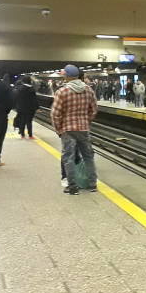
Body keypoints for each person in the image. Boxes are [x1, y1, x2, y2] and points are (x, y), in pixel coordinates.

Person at [51, 64, 98, 195]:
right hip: (83, 129)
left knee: (69, 157)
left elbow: (55, 114)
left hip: (68, 129)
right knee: (88, 156)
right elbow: (93, 110)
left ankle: (72, 187)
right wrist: (86, 121)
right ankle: (92, 184)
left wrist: (58, 129)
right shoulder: (89, 90)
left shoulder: (62, 92)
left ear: (67, 76)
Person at [14, 75, 39, 139]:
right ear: (30, 81)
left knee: (22, 121)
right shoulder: (32, 90)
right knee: (29, 122)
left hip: (21, 108)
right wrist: (37, 108)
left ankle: (22, 135)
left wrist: (16, 106)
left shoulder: (20, 89)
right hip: (30, 109)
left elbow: (16, 98)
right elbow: (35, 100)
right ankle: (30, 135)